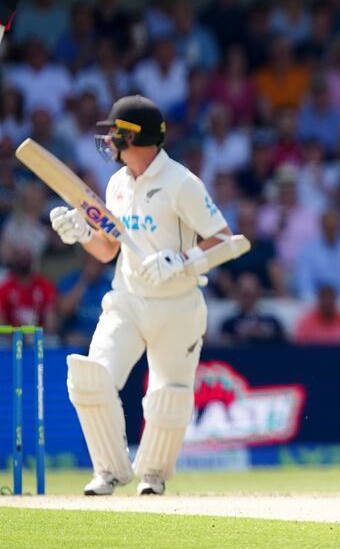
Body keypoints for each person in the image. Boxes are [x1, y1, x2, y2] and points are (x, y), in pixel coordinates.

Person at [48, 95, 232, 496]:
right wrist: (80, 235)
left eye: (118, 133)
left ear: (138, 137)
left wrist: (181, 261)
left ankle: (153, 475)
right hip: (127, 299)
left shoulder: (181, 182)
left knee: (168, 396)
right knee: (89, 377)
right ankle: (109, 470)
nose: (110, 141)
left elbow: (223, 239)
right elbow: (108, 248)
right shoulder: (116, 184)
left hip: (177, 304)